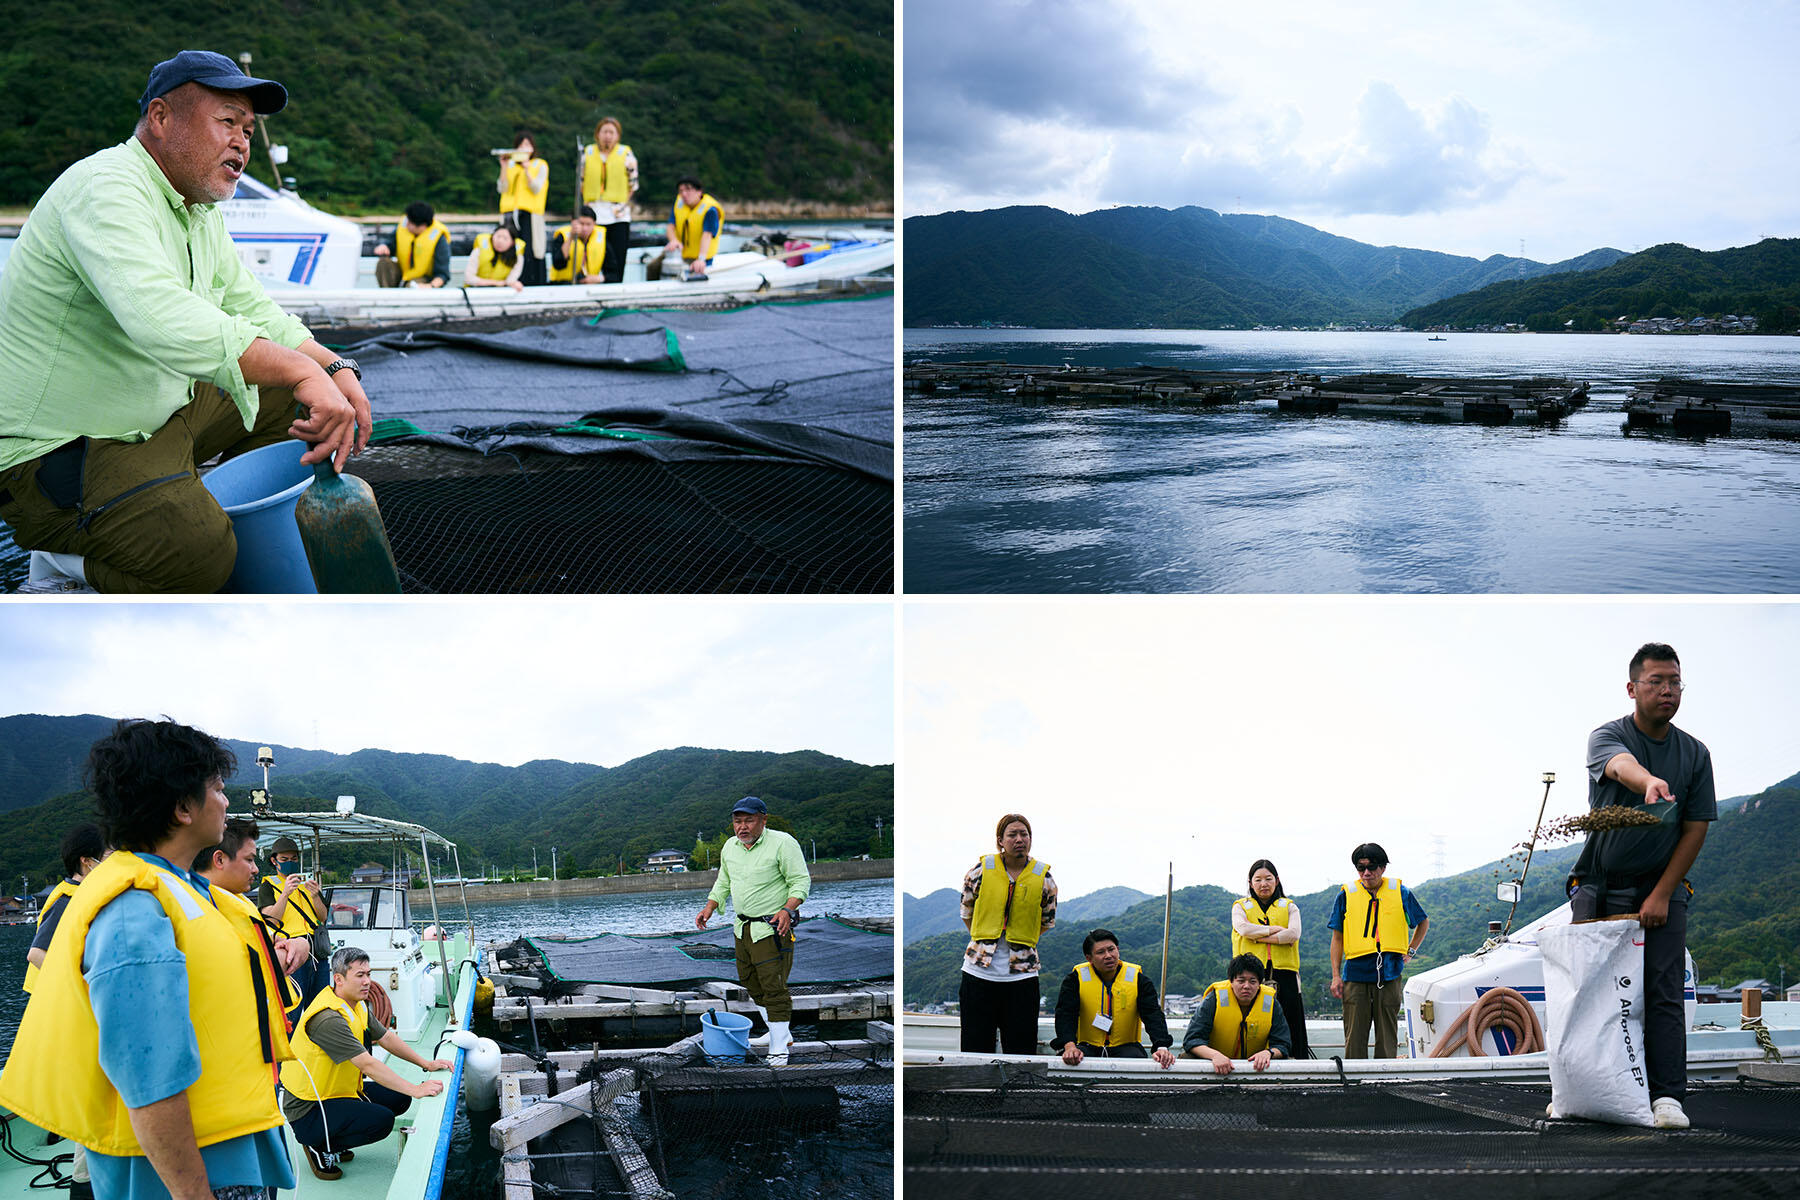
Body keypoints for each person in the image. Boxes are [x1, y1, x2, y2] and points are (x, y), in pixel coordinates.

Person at [0, 50, 372, 593]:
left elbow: (254, 308)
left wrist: (332, 366)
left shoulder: (197, 210)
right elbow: (159, 318)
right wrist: (299, 369)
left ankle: (174, 501)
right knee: (201, 559)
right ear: (161, 117)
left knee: (299, 400)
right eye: (227, 120)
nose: (242, 140)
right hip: (65, 451)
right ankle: (65, 559)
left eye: (248, 128)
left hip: (159, 410)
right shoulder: (106, 188)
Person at [0, 719, 296, 1199]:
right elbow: (150, 1078)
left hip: (226, 1143)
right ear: (182, 807)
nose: (225, 800)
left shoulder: (184, 890)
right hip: (189, 1173)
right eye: (217, 788)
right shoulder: (133, 911)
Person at [1568, 641, 1714, 1130]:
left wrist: (1659, 895)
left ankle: (1667, 1097)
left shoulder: (1695, 754)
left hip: (1662, 887)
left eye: (1675, 682)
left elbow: (1695, 827)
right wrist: (1647, 781)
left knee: (1663, 992)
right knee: (1589, 993)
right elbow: (1618, 766)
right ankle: (1579, 1092)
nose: (1667, 691)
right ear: (1632, 688)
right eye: (1656, 682)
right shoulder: (1606, 736)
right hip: (1599, 885)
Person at [282, 945, 451, 1180]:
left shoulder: (355, 1004)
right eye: (360, 975)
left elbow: (386, 1037)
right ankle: (318, 1144)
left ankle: (332, 1135)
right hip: (308, 1108)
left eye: (369, 974)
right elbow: (367, 1064)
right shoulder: (328, 1018)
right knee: (382, 1121)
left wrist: (426, 1063)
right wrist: (416, 1088)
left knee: (399, 1098)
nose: (367, 981)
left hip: (335, 1092)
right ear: (338, 979)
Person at [695, 796, 811, 1064]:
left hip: (772, 927)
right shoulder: (730, 847)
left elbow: (800, 881)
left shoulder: (782, 843)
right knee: (750, 981)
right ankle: (777, 1032)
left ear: (763, 820)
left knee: (774, 985)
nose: (742, 827)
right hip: (743, 926)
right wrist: (710, 906)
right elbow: (723, 880)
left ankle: (780, 1047)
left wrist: (788, 909)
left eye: (749, 820)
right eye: (738, 821)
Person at [958, 813, 1057, 1055]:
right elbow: (966, 911)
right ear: (1000, 840)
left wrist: (1021, 940)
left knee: (1021, 1047)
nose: (1019, 839)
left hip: (1022, 977)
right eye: (1012, 834)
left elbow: (1047, 921)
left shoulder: (1045, 878)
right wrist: (986, 938)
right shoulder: (980, 871)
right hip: (978, 972)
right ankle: (977, 1093)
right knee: (975, 1046)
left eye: (1024, 834)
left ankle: (1018, 1093)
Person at [1327, 842, 1428, 1059]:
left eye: (1371, 867)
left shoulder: (1401, 892)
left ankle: (1385, 1081)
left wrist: (1410, 951)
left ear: (1383, 868)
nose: (1366, 873)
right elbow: (1337, 938)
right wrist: (1336, 976)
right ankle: (1355, 1085)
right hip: (1355, 973)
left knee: (1387, 1036)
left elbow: (1423, 922)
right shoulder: (1345, 895)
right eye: (1360, 868)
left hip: (1390, 973)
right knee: (1354, 1036)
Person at [194, 818, 312, 1002]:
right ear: (219, 859)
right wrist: (291, 952)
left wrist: (296, 944)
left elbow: (267, 935)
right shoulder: (199, 906)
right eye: (249, 860)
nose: (256, 869)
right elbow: (246, 970)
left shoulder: (239, 900)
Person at [1051, 929, 1176, 1068]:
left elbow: (1152, 1015)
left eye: (1111, 949)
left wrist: (1161, 1047)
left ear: (1118, 949)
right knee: (1070, 1062)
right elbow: (1065, 1014)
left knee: (1138, 1060)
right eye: (1100, 952)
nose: (1108, 956)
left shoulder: (1138, 979)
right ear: (1089, 958)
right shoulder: (1075, 979)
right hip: (1086, 1047)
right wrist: (1069, 1047)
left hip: (1127, 1048)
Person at [1231, 858, 1309, 1059]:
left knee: (1292, 1020)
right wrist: (1274, 930)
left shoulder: (1290, 907)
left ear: (1277, 880)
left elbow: (1293, 934)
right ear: (1250, 883)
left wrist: (1259, 937)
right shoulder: (1240, 906)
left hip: (1285, 972)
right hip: (1250, 972)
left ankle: (1297, 1063)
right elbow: (1244, 929)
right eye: (1258, 879)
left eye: (1268, 879)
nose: (1263, 884)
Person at [23, 823, 106, 993]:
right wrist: (80, 987)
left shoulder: (81, 893)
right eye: (107, 857)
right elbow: (36, 954)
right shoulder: (65, 900)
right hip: (53, 999)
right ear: (87, 861)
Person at [1183, 953, 1293, 1074]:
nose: (1246, 986)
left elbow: (1283, 1044)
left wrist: (1268, 1053)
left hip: (1255, 1066)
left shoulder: (1270, 1003)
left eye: (1252, 981)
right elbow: (1192, 1040)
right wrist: (1215, 1056)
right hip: (1215, 1064)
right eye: (1241, 981)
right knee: (1186, 1058)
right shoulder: (1214, 1000)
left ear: (1260, 983)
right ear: (1231, 981)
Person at [259, 834, 329, 1006]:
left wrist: (315, 895)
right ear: (274, 861)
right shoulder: (268, 885)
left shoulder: (307, 883)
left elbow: (323, 917)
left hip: (317, 952)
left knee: (320, 1006)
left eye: (294, 858)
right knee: (294, 1007)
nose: (289, 862)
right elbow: (271, 921)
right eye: (284, 859)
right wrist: (285, 894)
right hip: (291, 953)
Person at [580, 117, 638, 283]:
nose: (608, 136)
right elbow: (581, 181)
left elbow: (633, 183)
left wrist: (622, 205)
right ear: (597, 134)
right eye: (604, 132)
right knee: (595, 254)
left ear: (618, 136)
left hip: (618, 213)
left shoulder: (626, 153)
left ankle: (616, 284)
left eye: (611, 132)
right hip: (594, 213)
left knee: (618, 256)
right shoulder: (587, 153)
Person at [497, 133, 549, 286]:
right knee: (508, 246)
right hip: (510, 213)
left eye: (527, 145)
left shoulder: (540, 165)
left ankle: (532, 281)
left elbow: (536, 188)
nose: (523, 148)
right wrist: (504, 167)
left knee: (531, 249)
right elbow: (502, 188)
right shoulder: (511, 165)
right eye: (520, 146)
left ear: (533, 148)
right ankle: (507, 280)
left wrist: (527, 170)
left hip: (530, 214)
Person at [372, 202, 450, 288]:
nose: (406, 224)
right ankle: (387, 298)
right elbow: (390, 243)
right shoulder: (403, 226)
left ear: (422, 226)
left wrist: (430, 286)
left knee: (413, 286)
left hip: (423, 278)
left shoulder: (439, 238)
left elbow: (442, 274)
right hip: (402, 273)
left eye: (410, 223)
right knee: (383, 263)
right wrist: (385, 246)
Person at [664, 177, 722, 279]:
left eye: (688, 190)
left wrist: (701, 259)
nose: (684, 194)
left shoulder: (710, 210)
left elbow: (707, 235)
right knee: (653, 266)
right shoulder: (679, 204)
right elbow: (670, 226)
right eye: (681, 191)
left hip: (702, 258)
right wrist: (673, 240)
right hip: (680, 254)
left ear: (699, 192)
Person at [547, 206, 605, 285]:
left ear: (594, 224)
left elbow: (613, 274)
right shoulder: (562, 236)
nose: (584, 228)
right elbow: (558, 264)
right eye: (581, 224)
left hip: (589, 285)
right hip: (562, 285)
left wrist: (599, 278)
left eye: (588, 224)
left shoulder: (601, 238)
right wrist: (571, 237)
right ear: (573, 222)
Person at [464, 225, 525, 291]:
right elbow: (469, 278)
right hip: (475, 290)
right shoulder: (479, 250)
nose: (500, 241)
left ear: (512, 242)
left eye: (505, 238)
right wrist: (496, 283)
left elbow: (510, 280)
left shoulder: (517, 257)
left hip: (499, 292)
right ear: (492, 236)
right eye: (498, 236)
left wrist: (513, 283)